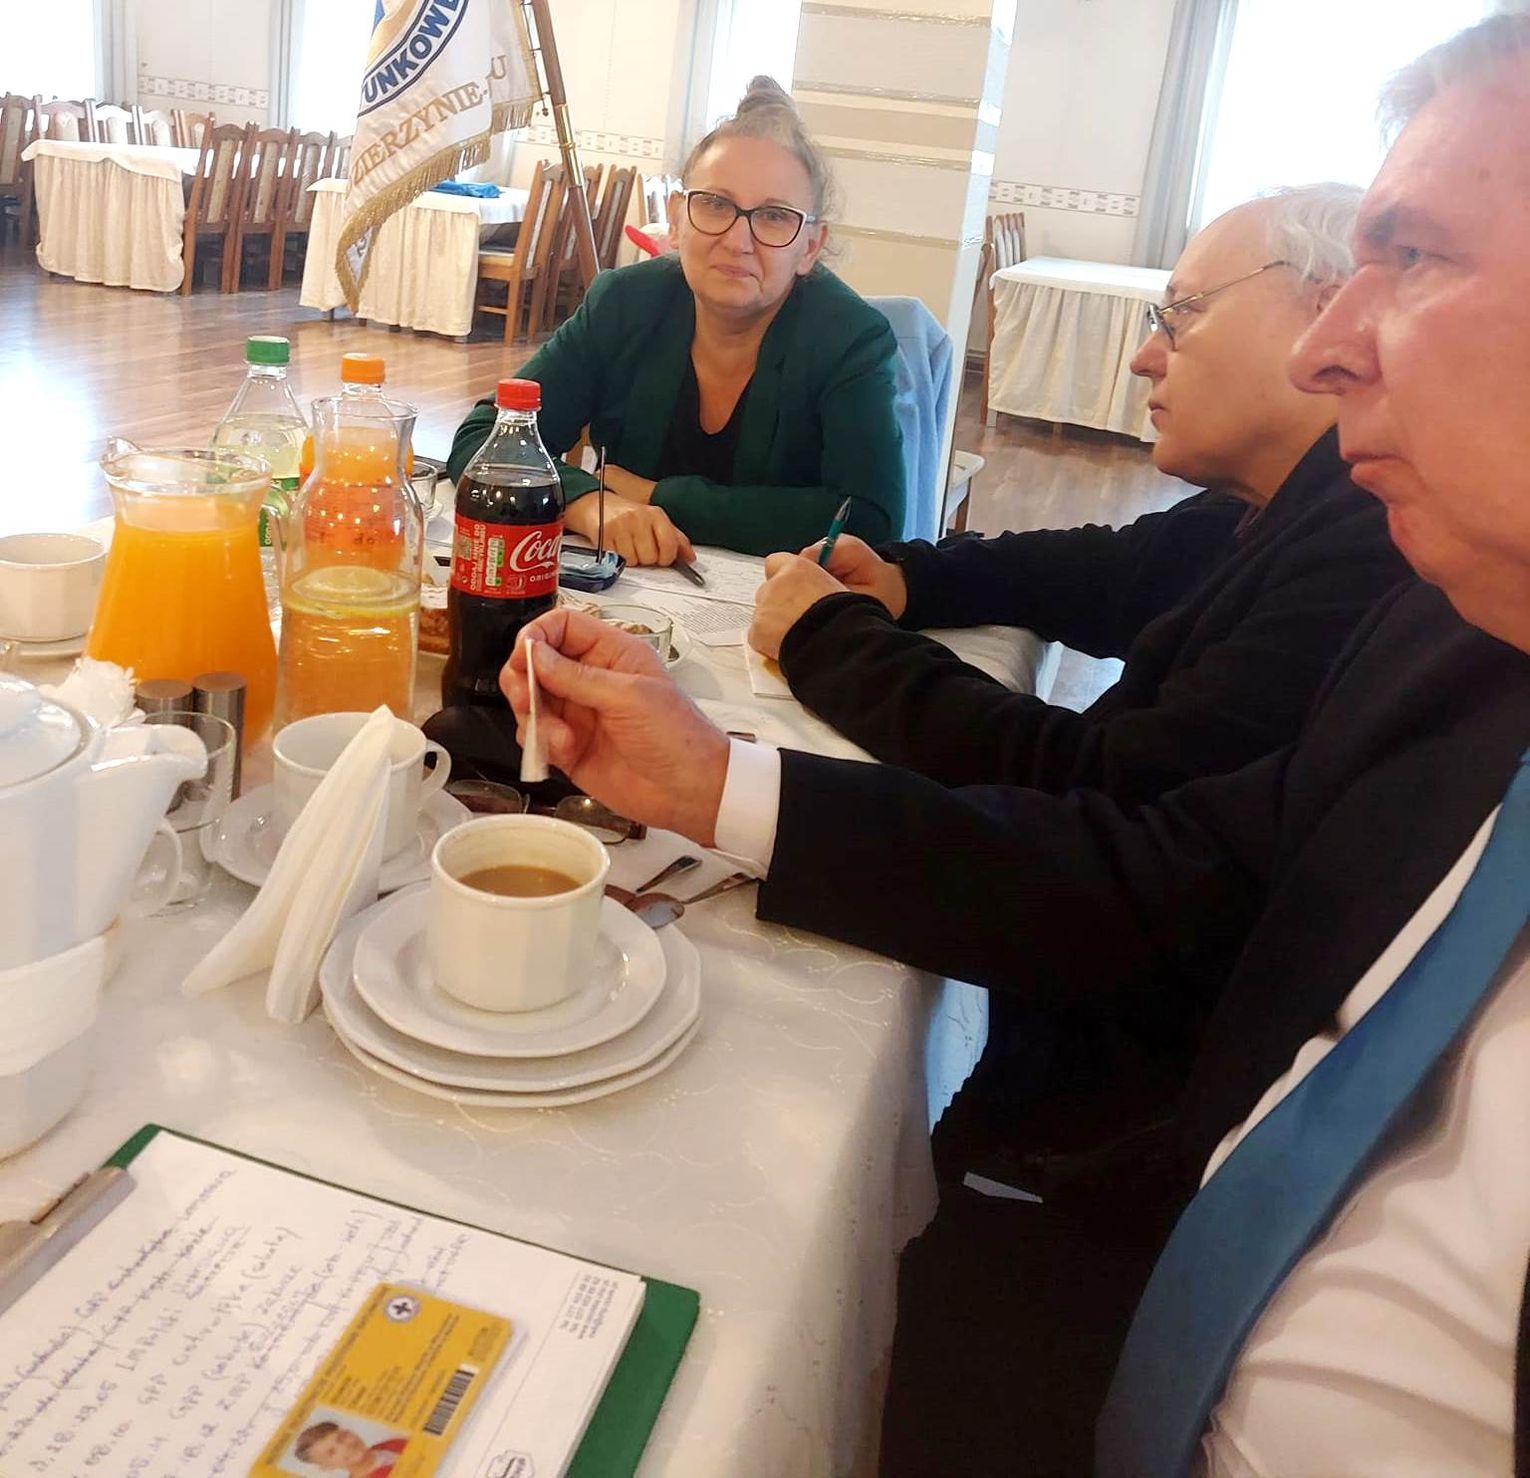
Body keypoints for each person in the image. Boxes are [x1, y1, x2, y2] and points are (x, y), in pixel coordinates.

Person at [500, 13, 1530, 1473]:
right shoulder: (1443, 615)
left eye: (1411, 257)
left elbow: (1115, 819)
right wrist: (737, 759)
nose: (1332, 348)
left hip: (1106, 1209)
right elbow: (1169, 809)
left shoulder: (1391, 573)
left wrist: (815, 641)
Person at [749, 184, 1413, 807]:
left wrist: (829, 642)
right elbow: (1110, 572)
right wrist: (910, 579)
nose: (1143, 358)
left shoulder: (1363, 557)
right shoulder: (1273, 504)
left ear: (1329, 322)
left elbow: (1101, 787)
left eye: (1181, 314)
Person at [446, 77, 905, 566]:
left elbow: (868, 520)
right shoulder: (623, 303)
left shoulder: (849, 337)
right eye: (715, 204)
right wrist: (589, 503)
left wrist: (659, 496)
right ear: (678, 217)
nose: (737, 240)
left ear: (810, 247)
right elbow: (486, 438)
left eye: (774, 216)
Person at [293, 1419, 407, 1476]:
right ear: (327, 1467)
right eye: (331, 1452)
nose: (345, 1447)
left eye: (342, 1437)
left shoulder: (394, 1440)